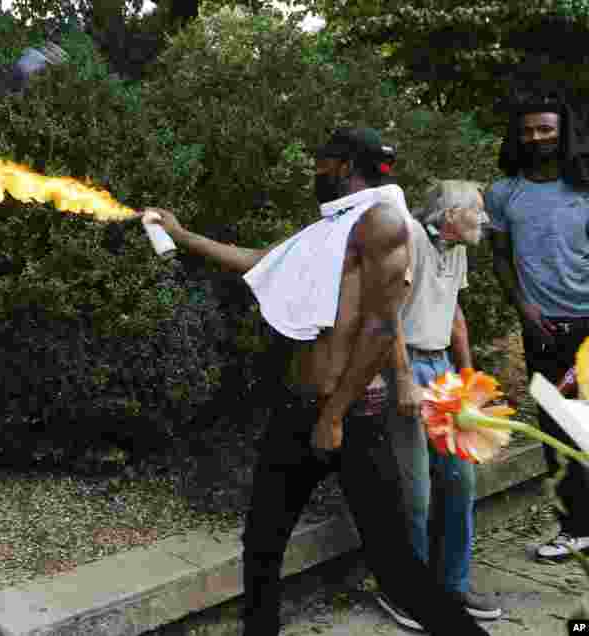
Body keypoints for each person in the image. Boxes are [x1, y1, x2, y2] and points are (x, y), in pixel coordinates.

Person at [145, 128, 488, 636]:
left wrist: (332, 418)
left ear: (345, 166)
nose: (315, 172)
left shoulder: (383, 222)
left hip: (348, 415)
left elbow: (379, 326)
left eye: (320, 164)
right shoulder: (333, 229)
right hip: (298, 408)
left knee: (395, 563)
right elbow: (263, 260)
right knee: (263, 540)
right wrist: (184, 236)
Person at [374, 180, 502, 630]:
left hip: (442, 367)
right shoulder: (409, 238)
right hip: (403, 365)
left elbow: (455, 314)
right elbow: (385, 314)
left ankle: (453, 583)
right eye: (478, 211)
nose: (485, 219)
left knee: (460, 479)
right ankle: (406, 590)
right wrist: (404, 377)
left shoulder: (458, 248)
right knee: (417, 492)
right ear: (449, 215)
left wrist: (469, 379)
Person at [487, 87, 589, 561]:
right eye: (527, 131)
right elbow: (501, 258)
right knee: (558, 426)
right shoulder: (504, 193)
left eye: (545, 129)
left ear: (562, 132)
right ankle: (577, 528)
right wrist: (523, 307)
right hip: (543, 329)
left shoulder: (585, 184)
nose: (536, 138)